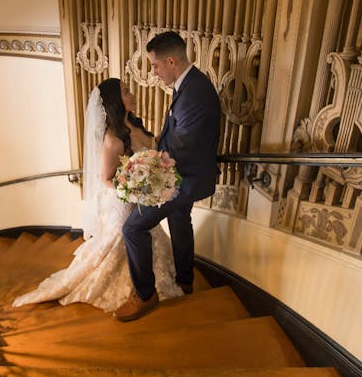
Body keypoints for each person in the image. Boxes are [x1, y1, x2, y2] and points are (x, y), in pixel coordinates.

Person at [12, 78, 183, 312]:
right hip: (123, 201)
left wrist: (156, 180)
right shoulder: (113, 140)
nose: (132, 95)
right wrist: (136, 191)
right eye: (125, 92)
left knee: (145, 232)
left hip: (140, 198)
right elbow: (105, 178)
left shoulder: (137, 125)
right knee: (125, 237)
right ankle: (140, 287)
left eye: (129, 90)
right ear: (114, 101)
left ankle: (149, 281)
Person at [114, 31, 221, 322]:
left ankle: (145, 295)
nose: (154, 72)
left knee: (133, 229)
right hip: (186, 175)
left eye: (155, 65)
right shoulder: (189, 85)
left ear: (171, 61)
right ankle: (185, 279)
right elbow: (177, 135)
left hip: (182, 180)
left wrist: (147, 168)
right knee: (179, 221)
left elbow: (181, 149)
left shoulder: (195, 93)